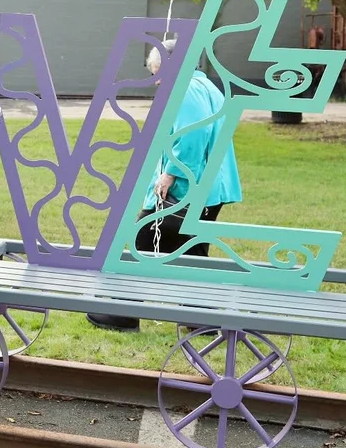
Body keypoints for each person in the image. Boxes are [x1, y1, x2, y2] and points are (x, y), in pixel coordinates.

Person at [87, 49, 243, 333]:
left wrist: (171, 173)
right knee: (192, 250)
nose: (156, 81)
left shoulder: (184, 88)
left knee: (142, 238)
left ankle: (124, 313)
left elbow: (194, 132)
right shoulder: (206, 85)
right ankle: (200, 317)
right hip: (211, 187)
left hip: (188, 185)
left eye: (157, 72)